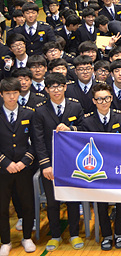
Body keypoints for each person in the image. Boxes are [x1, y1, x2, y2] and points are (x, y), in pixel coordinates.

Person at [32, 73, 84, 251]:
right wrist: (45, 165)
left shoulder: (75, 106)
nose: (56, 90)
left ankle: (75, 234)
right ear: (46, 90)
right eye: (52, 87)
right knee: (52, 201)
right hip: (51, 164)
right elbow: (38, 140)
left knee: (72, 199)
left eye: (59, 86)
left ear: (65, 87)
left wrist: (71, 128)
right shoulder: (39, 110)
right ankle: (55, 235)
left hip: (72, 163)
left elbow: (84, 128)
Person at [79, 83, 121, 251]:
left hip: (118, 168)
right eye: (99, 99)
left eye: (106, 98)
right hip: (97, 170)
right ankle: (107, 235)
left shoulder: (120, 117)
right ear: (94, 101)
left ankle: (119, 233)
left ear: (111, 98)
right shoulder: (87, 120)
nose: (103, 102)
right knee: (101, 204)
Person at [0, 77, 36, 256]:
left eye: (15, 93)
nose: (12, 97)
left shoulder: (29, 113)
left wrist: (24, 162)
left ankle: (27, 237)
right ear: (1, 95)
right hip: (2, 169)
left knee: (27, 204)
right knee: (2, 207)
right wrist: (5, 162)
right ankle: (5, 241)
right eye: (8, 94)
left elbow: (35, 143)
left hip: (24, 168)